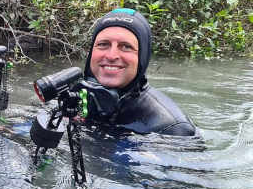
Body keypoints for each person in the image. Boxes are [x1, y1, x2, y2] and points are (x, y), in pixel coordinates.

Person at [77, 8, 197, 136]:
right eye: (103, 44)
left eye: (126, 46)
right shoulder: (76, 98)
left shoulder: (172, 130)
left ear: (142, 57)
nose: (111, 56)